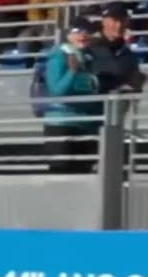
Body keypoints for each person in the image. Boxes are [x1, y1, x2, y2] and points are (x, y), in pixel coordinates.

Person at [41, 19, 102, 173]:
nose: (82, 35)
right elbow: (57, 91)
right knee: (62, 177)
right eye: (77, 31)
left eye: (87, 31)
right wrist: (72, 72)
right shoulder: (59, 56)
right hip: (62, 125)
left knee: (85, 177)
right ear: (68, 35)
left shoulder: (89, 58)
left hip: (85, 125)